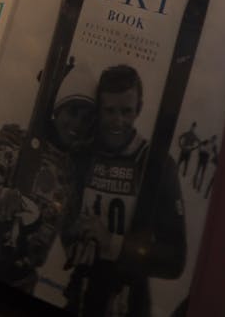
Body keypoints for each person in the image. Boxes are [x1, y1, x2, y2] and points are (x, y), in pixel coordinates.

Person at [0, 63, 96, 292]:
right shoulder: (16, 141)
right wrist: (14, 202)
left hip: (20, 285)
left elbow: (69, 229)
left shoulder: (71, 173)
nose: (78, 124)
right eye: (72, 112)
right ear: (58, 109)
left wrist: (83, 243)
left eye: (86, 119)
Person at [62, 64, 186, 317]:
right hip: (81, 295)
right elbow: (66, 220)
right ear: (99, 110)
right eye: (110, 111)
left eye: (126, 111)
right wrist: (72, 237)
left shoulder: (156, 164)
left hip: (129, 302)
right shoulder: (83, 154)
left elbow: (175, 260)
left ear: (139, 109)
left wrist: (113, 243)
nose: (118, 121)